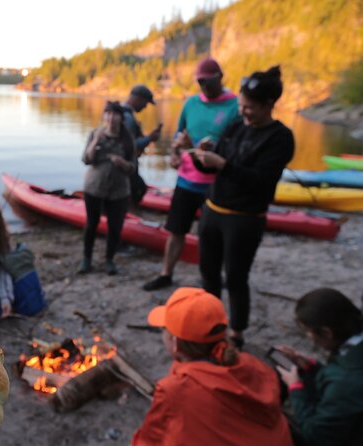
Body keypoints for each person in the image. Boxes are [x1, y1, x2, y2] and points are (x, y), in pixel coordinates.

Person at [193, 66, 294, 347]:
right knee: (208, 273)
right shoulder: (237, 125)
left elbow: (261, 182)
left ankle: (236, 333)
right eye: (241, 105)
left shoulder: (280, 138)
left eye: (249, 108)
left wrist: (222, 164)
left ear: (269, 105)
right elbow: (217, 164)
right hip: (213, 210)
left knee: (236, 278)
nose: (244, 112)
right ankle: (211, 325)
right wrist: (203, 155)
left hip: (244, 219)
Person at [132, 287, 293, 445]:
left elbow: (151, 438)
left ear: (174, 343)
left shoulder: (176, 389)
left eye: (164, 330)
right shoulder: (252, 363)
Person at [143, 58, 240, 291]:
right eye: (199, 81)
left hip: (216, 183)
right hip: (186, 180)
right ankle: (166, 274)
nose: (204, 86)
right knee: (176, 230)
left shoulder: (235, 106)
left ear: (220, 77)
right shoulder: (191, 104)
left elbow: (236, 146)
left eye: (208, 81)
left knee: (215, 235)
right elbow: (178, 136)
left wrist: (204, 148)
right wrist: (175, 154)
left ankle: (216, 277)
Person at [275, 288, 363, 445]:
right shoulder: (354, 346)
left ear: (326, 333)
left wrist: (296, 388)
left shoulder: (344, 381)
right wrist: (313, 368)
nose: (309, 337)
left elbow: (316, 437)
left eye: (308, 332)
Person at [78, 101, 135, 275]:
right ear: (104, 116)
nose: (111, 118)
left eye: (115, 114)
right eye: (108, 114)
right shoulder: (95, 134)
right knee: (91, 224)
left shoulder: (127, 139)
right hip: (94, 187)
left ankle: (109, 260)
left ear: (121, 117)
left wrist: (122, 163)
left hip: (119, 191)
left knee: (115, 226)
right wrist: (95, 141)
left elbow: (133, 168)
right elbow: (86, 159)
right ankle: (86, 259)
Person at [121, 84, 162, 204]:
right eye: (146, 103)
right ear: (138, 98)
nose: (145, 106)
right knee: (138, 188)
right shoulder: (127, 117)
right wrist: (150, 138)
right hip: (126, 167)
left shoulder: (123, 113)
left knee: (137, 188)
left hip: (125, 166)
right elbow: (129, 145)